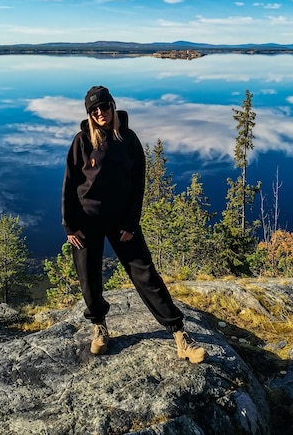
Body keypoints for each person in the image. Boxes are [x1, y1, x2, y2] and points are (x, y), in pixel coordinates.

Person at [61, 85, 207, 363]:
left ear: (113, 106)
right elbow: (69, 184)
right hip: (87, 220)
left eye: (104, 106)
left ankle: (179, 334)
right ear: (89, 115)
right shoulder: (82, 141)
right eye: (94, 110)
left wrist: (131, 222)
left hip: (120, 221)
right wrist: (70, 226)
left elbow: (138, 184)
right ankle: (99, 327)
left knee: (145, 274)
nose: (101, 112)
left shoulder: (129, 140)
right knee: (89, 278)